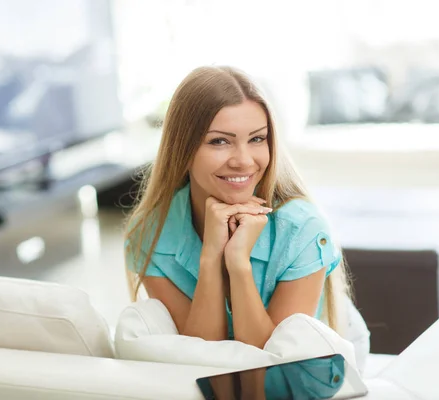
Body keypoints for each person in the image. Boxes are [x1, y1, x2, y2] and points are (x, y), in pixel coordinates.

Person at [124, 65, 353, 349]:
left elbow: (271, 368)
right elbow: (200, 359)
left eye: (257, 138)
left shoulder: (301, 229)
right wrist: (210, 258)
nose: (243, 161)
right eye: (219, 141)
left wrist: (238, 264)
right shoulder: (151, 233)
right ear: (182, 151)